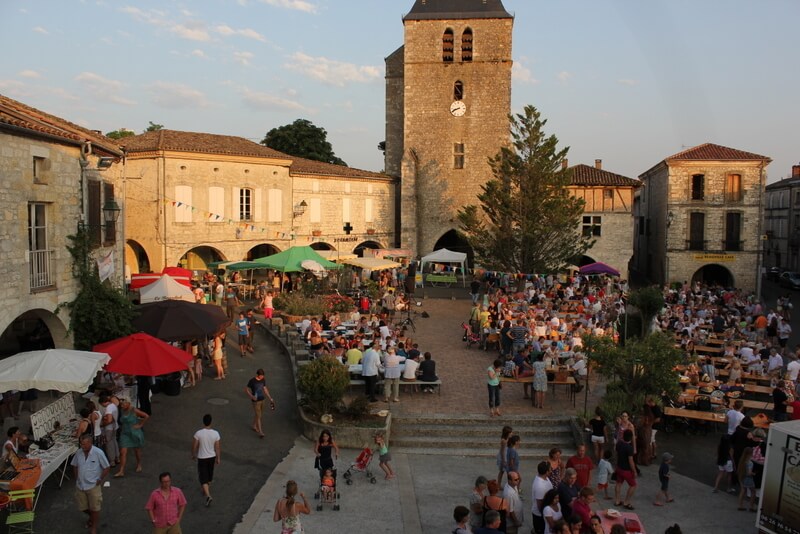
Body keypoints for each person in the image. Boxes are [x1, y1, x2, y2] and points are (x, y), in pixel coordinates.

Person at [72, 434, 110, 534]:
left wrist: (100, 479)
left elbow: (106, 467)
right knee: (82, 507)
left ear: (90, 443)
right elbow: (75, 465)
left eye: (84, 444)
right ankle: (93, 517)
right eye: (81, 444)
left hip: (93, 486)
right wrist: (77, 478)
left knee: (95, 507)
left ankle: (94, 527)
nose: (82, 446)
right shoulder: (79, 453)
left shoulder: (98, 453)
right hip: (80, 485)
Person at [192, 413, 221, 507]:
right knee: (209, 475)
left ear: (203, 422)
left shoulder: (198, 433)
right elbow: (217, 447)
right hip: (211, 457)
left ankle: (208, 495)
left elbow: (195, 446)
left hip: (202, 457)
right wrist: (218, 457)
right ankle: (205, 489)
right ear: (211, 422)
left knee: (203, 476)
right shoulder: (215, 433)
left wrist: (193, 454)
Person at [114, 399, 148, 477]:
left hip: (134, 433)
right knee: (123, 452)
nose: (121, 406)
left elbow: (146, 416)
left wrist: (140, 425)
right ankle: (121, 470)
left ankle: (139, 463)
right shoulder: (122, 410)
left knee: (137, 451)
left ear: (128, 404)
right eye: (121, 404)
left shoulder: (134, 410)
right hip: (125, 433)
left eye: (123, 404)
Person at [245, 368, 275, 438]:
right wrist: (251, 396)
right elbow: (246, 389)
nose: (262, 377)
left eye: (263, 376)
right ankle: (261, 432)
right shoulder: (252, 381)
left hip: (262, 399)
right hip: (256, 401)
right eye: (261, 376)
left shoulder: (263, 380)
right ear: (258, 375)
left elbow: (265, 389)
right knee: (259, 416)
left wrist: (270, 398)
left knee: (259, 414)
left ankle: (254, 425)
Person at [613, 429, 637, 510]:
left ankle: (617, 500)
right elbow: (631, 461)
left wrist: (616, 465)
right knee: (633, 485)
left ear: (623, 435)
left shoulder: (619, 443)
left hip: (619, 467)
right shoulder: (629, 448)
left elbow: (616, 455)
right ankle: (626, 502)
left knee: (618, 483)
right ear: (631, 438)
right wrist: (634, 471)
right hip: (626, 470)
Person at [532, 461, 554, 534]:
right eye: (550, 469)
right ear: (547, 472)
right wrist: (545, 516)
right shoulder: (540, 486)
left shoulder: (545, 477)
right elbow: (539, 504)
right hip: (540, 516)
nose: (551, 470)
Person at [99, 394, 119, 468]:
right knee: (114, 441)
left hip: (109, 428)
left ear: (103, 402)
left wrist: (103, 424)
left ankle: (112, 460)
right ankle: (117, 457)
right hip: (115, 426)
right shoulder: (114, 405)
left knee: (109, 444)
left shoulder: (108, 409)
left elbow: (109, 420)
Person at [737, 447, 757, 512]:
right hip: (748, 479)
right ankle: (751, 506)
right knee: (753, 492)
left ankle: (740, 505)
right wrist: (753, 474)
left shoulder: (742, 460)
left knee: (743, 490)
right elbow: (749, 473)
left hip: (742, 477)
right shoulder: (750, 463)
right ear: (750, 454)